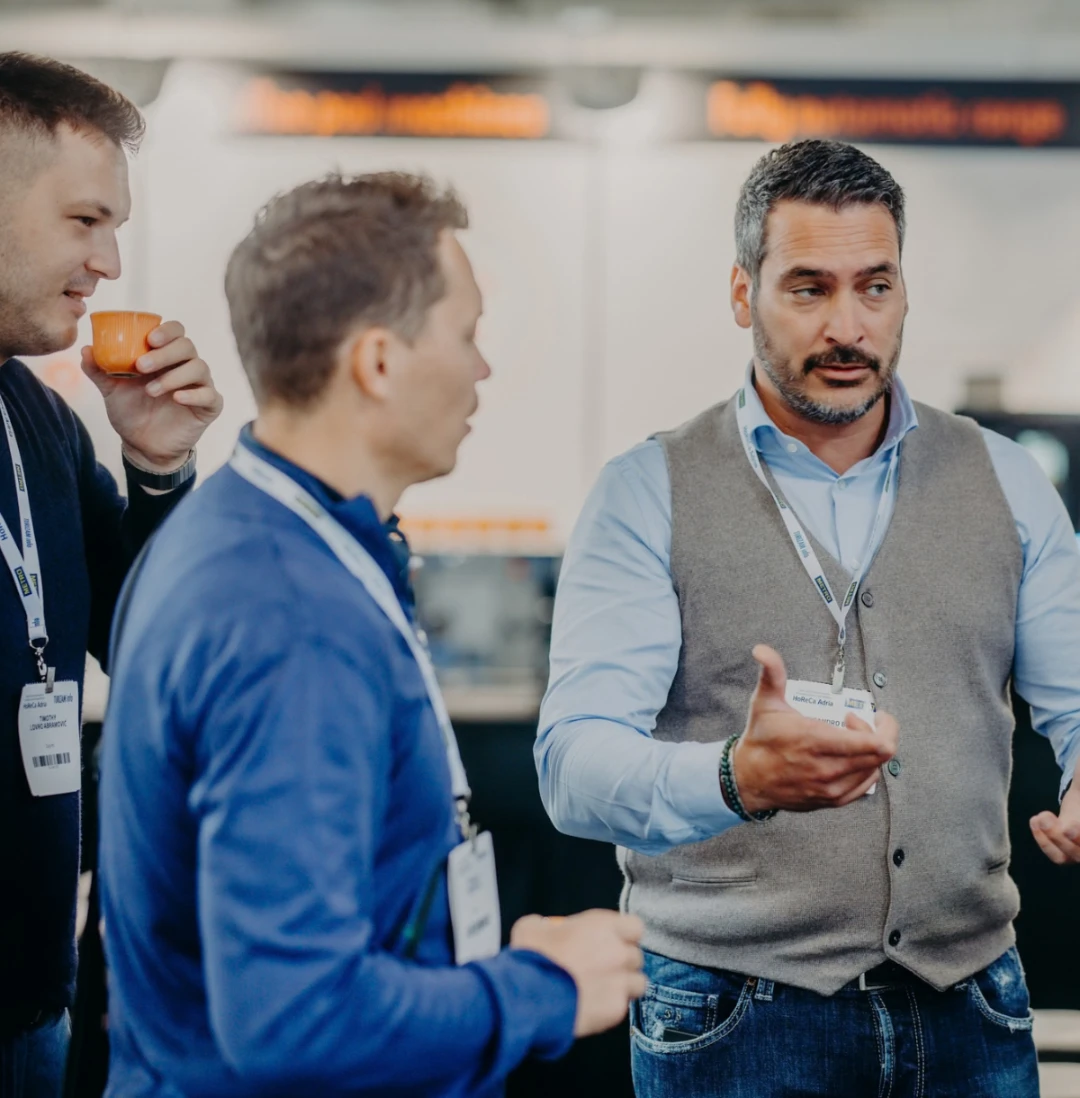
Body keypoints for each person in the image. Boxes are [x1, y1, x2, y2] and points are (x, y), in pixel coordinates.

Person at [537, 138, 1080, 1098]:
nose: (848, 326)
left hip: (972, 1005)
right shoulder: (646, 491)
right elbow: (572, 766)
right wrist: (733, 777)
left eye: (875, 287)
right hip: (730, 1016)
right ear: (742, 294)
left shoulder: (1008, 481)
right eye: (808, 289)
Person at [98, 171, 645, 1098]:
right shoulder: (289, 615)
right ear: (379, 363)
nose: (482, 370)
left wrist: (469, 963)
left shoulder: (251, 533)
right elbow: (295, 1019)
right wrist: (543, 989)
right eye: (466, 335)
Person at [0, 53, 222, 1098]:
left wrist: (158, 467)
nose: (110, 261)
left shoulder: (37, 418)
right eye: (85, 220)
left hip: (30, 1004)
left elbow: (149, 645)